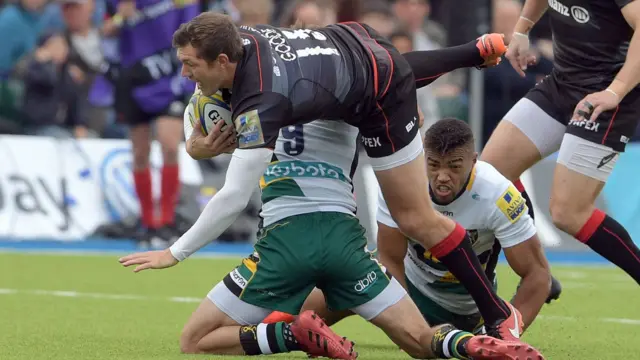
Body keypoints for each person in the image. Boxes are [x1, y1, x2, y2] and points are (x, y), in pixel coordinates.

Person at [119, 13, 545, 359]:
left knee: (414, 215)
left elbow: (233, 194)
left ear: (225, 64)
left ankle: (493, 316)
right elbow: (395, 67)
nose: (186, 75)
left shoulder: (262, 106)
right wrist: (467, 54)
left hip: (291, 239)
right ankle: (469, 343)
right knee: (420, 343)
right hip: (346, 237)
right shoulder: (243, 41)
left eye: (191, 65)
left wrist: (174, 252)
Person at [266, 118, 551, 335]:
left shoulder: (498, 194)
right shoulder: (400, 184)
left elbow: (537, 275)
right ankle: (262, 332)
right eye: (434, 164)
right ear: (422, 158)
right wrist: (408, 324)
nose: (442, 177)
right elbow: (390, 258)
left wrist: (508, 332)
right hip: (410, 291)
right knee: (310, 303)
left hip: (472, 310)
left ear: (473, 162)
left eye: (454, 166)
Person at [480, 0, 640, 284]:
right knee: (489, 176)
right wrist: (521, 29)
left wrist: (615, 91)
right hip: (561, 84)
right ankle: (537, 274)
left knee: (568, 213)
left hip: (605, 99)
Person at [102, 0, 198, 244]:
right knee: (140, 152)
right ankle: (147, 221)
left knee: (169, 145)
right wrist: (119, 19)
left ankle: (166, 220)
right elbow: (104, 32)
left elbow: (194, 26)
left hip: (169, 76)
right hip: (134, 78)